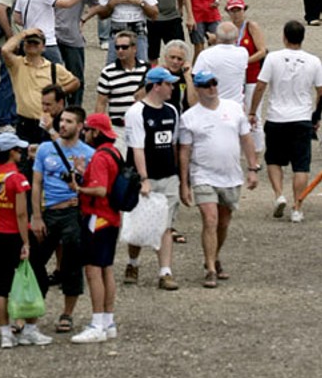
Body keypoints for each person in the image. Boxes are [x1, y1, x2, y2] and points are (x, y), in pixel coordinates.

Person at [178, 67, 260, 287]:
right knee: (210, 219)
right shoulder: (190, 117)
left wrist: (253, 168)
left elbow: (246, 139)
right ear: (198, 89)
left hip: (230, 174)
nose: (212, 88)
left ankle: (214, 256)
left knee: (223, 222)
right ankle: (211, 268)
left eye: (214, 83)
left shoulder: (233, 109)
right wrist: (184, 183)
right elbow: (184, 151)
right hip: (202, 174)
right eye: (206, 85)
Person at [0, 133, 50, 349]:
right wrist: (26, 243)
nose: (22, 153)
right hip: (16, 236)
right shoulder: (16, 178)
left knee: (0, 286)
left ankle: (5, 334)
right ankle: (29, 330)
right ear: (11, 152)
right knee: (36, 280)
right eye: (19, 149)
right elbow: (21, 214)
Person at [248, 19, 322, 224]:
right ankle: (297, 206)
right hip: (301, 117)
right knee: (301, 165)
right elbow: (320, 91)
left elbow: (261, 86)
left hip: (277, 117)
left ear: (284, 36)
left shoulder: (273, 59)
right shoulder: (313, 61)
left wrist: (253, 111)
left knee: (273, 160)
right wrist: (316, 115)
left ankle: (279, 194)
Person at [29, 107, 89, 332]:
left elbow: (92, 189)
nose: (63, 125)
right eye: (61, 120)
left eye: (69, 122)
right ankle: (33, 308)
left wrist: (81, 178)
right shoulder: (45, 149)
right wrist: (36, 216)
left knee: (72, 265)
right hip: (49, 212)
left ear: (80, 126)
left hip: (73, 213)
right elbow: (36, 183)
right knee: (34, 261)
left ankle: (67, 313)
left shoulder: (88, 153)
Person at [123, 66, 182, 289]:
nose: (172, 88)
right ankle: (133, 262)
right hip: (145, 177)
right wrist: (144, 178)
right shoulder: (137, 112)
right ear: (156, 86)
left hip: (168, 175)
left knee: (166, 225)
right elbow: (137, 148)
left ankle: (165, 271)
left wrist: (178, 175)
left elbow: (173, 144)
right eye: (168, 84)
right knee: (140, 224)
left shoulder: (171, 111)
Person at [69, 113, 123, 344]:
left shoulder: (100, 157)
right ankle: (108, 321)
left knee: (93, 271)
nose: (85, 134)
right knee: (106, 268)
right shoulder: (115, 152)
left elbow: (100, 190)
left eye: (89, 130)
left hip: (97, 218)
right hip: (111, 218)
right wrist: (83, 174)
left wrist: (78, 188)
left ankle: (97, 323)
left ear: (96, 132)